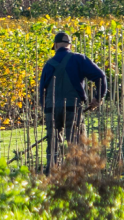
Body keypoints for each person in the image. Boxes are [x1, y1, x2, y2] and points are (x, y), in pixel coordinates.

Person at [38, 31, 108, 165]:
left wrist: (46, 109)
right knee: (76, 144)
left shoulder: (48, 64)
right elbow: (100, 77)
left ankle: (52, 174)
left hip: (51, 109)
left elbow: (42, 90)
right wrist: (98, 98)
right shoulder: (78, 59)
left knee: (53, 145)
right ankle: (75, 175)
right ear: (69, 45)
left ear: (56, 45)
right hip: (72, 107)